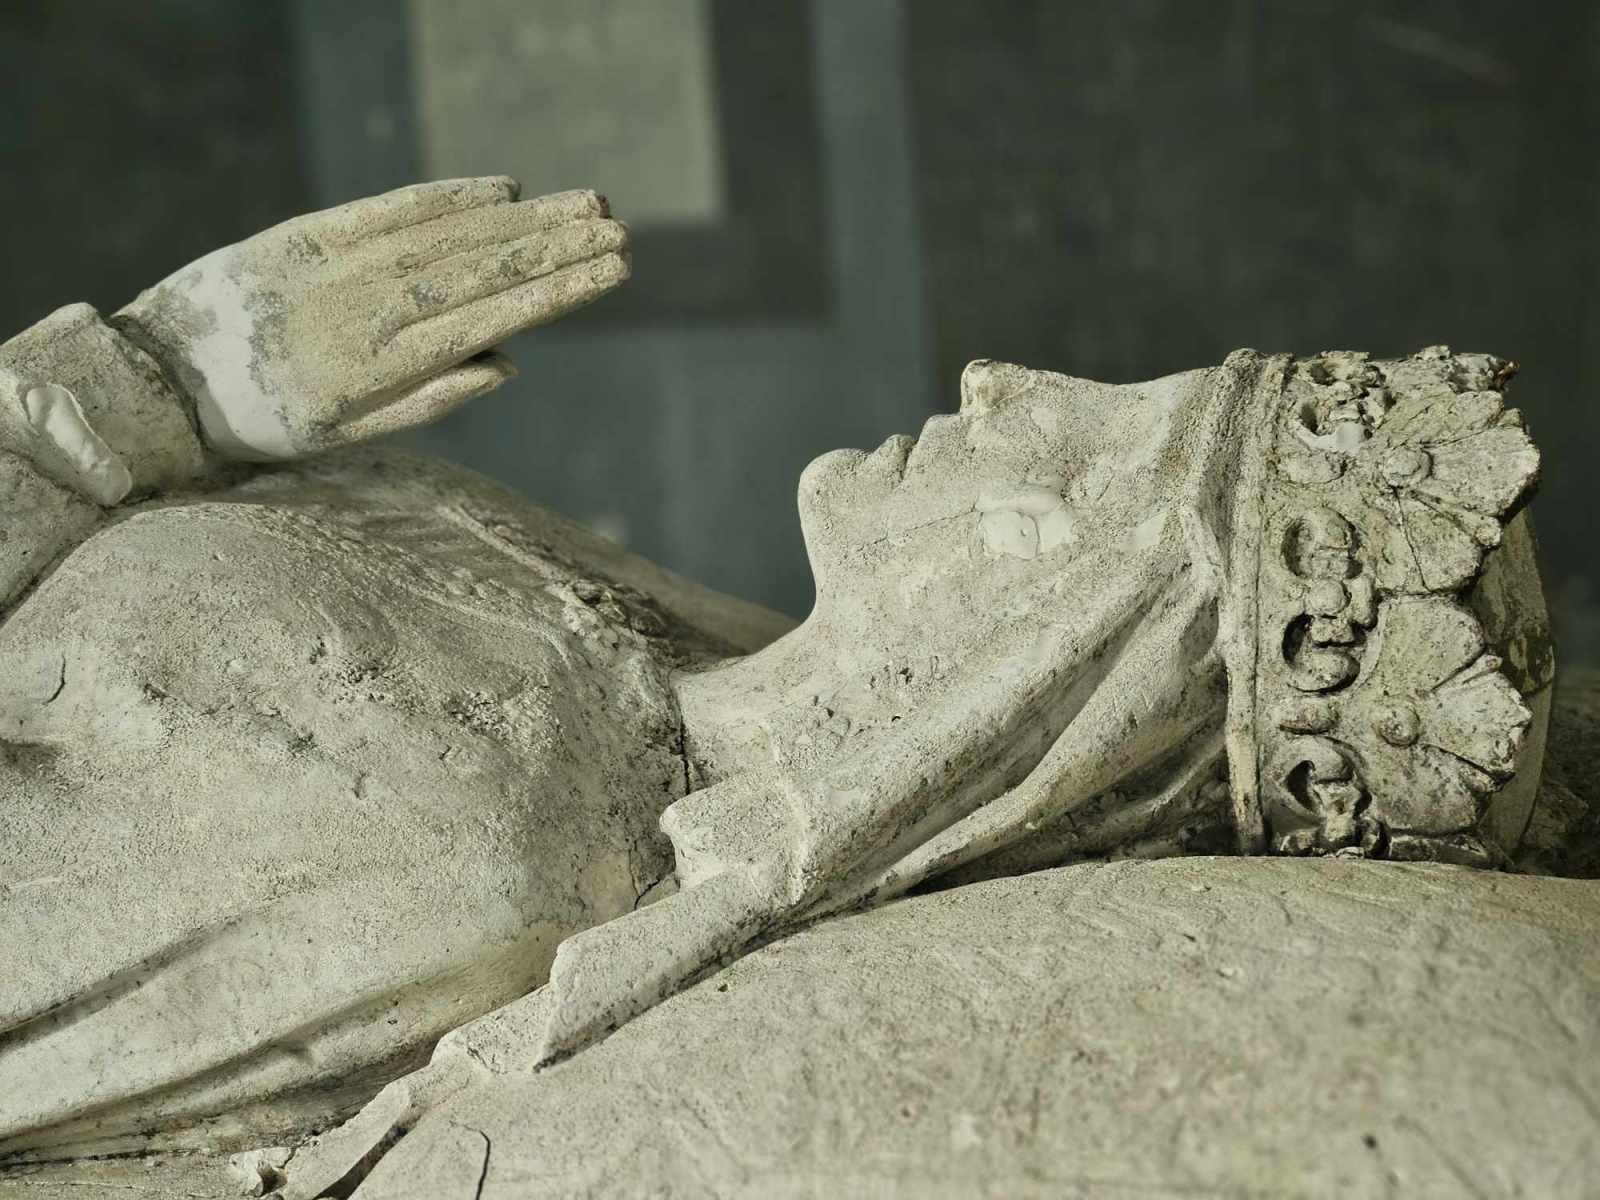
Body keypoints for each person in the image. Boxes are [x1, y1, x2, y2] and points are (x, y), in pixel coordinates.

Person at [0, 180, 1549, 1162]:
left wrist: (133, 389)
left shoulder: (470, 853)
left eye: (1091, 444)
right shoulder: (664, 674)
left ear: (1072, 642)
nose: (1005, 380)